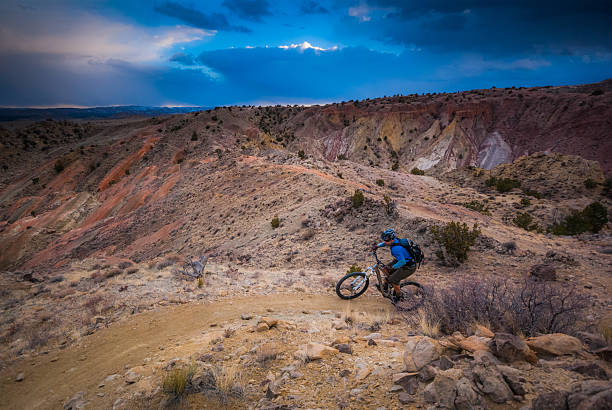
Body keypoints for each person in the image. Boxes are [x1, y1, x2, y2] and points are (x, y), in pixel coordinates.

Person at [371, 228, 416, 301]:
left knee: (393, 280)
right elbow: (385, 243)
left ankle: (398, 297)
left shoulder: (396, 249)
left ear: (391, 240)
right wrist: (377, 246)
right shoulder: (394, 240)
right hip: (402, 261)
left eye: (387, 240)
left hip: (408, 267)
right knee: (385, 268)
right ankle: (385, 287)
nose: (385, 242)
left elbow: (402, 262)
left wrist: (392, 267)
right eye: (384, 240)